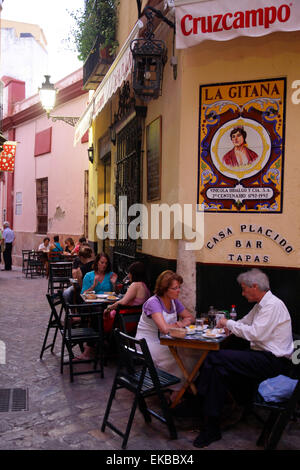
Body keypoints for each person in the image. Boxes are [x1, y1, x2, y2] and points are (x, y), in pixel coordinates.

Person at [193, 268, 294, 449]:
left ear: (254, 286)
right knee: (218, 369)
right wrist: (231, 327)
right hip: (262, 357)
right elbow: (244, 323)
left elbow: (255, 334)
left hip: (273, 362)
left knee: (214, 357)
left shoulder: (273, 306)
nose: (242, 293)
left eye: (244, 289)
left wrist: (227, 323)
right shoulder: (261, 306)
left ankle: (199, 400)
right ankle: (211, 425)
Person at [135, 270, 199, 402]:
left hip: (166, 341)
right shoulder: (154, 303)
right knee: (178, 360)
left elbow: (190, 318)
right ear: (164, 289)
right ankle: (176, 393)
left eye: (179, 287)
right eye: (175, 288)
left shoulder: (174, 301)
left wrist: (179, 323)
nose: (178, 290)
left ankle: (181, 388)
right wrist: (180, 324)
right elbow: (164, 328)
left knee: (193, 355)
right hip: (148, 343)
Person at [104, 261, 151, 333]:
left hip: (128, 319)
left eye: (129, 273)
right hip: (138, 318)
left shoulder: (135, 285)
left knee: (106, 314)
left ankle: (105, 340)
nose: (128, 275)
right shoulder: (145, 285)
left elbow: (123, 302)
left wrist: (109, 308)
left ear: (134, 274)